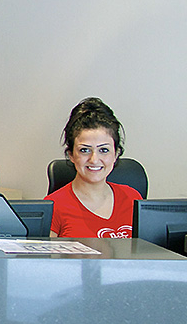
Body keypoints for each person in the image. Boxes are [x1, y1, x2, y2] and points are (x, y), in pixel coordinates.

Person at [46, 98, 141, 238]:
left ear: (116, 154)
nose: (94, 159)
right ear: (71, 155)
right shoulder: (53, 207)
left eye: (104, 150)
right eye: (85, 150)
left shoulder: (132, 198)